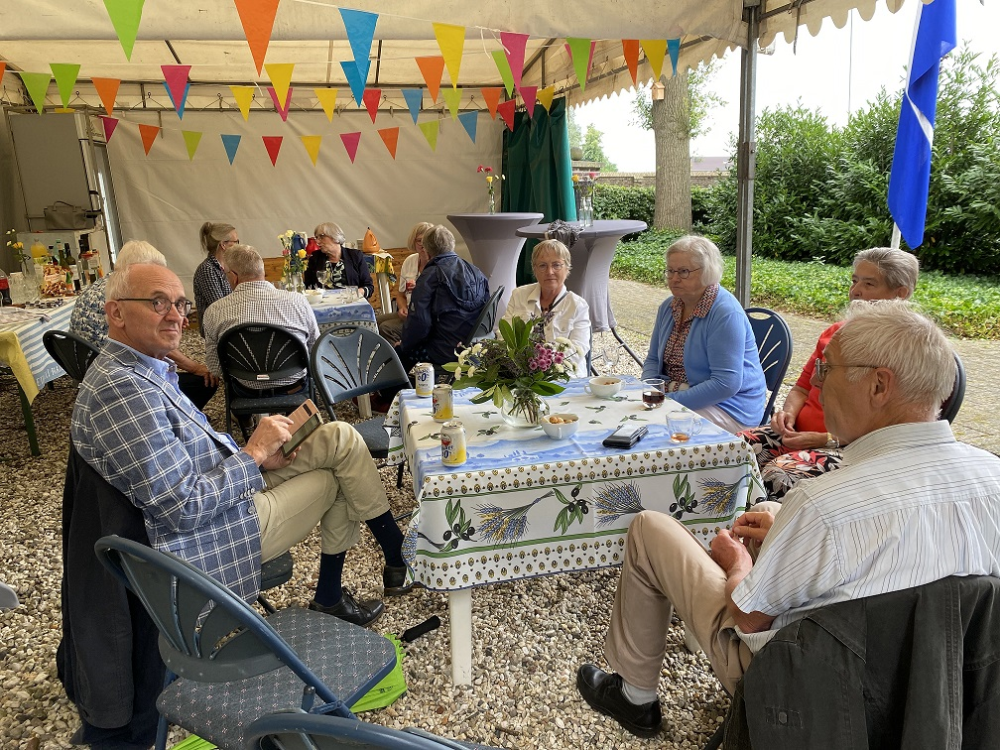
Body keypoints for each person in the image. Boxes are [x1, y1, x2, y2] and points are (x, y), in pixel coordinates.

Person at [576, 301, 1000, 738]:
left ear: (879, 385)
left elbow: (748, 617)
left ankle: (634, 696)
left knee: (649, 527)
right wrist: (786, 530)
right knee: (768, 512)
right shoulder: (994, 478)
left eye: (827, 368)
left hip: (808, 691)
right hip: (947, 689)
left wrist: (738, 563)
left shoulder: (824, 505)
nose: (816, 382)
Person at [71, 262, 414, 629]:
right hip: (213, 532)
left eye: (181, 304)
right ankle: (349, 585)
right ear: (116, 313)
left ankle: (384, 563)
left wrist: (259, 459)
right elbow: (183, 509)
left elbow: (199, 432)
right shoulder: (122, 391)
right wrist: (252, 455)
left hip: (224, 490)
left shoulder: (142, 369)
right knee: (337, 477)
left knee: (340, 437)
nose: (176, 317)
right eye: (158, 302)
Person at [740, 247, 920, 498]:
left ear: (900, 293)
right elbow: (802, 387)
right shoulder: (835, 332)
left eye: (869, 284)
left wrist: (823, 438)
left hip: (849, 447)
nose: (856, 291)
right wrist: (787, 415)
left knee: (778, 476)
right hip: (796, 433)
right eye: (854, 281)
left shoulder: (904, 349)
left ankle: (762, 522)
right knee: (733, 448)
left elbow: (893, 427)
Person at [70, 239, 218, 410]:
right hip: (114, 372)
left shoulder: (99, 286)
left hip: (83, 367)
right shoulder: (125, 295)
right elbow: (153, 339)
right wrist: (194, 367)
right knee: (204, 382)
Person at [641, 235, 765, 432]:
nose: (674, 278)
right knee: (628, 416)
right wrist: (648, 389)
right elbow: (653, 359)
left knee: (653, 428)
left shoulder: (725, 313)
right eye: (670, 271)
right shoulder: (669, 307)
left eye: (683, 272)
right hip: (676, 394)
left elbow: (725, 384)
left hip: (729, 407)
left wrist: (669, 401)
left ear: (708, 271)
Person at [203, 244, 319, 396]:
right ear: (262, 271)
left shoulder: (214, 311)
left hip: (246, 390)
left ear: (233, 276)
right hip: (295, 386)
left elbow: (216, 368)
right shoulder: (298, 301)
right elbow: (315, 349)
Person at [397, 224, 489, 371]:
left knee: (399, 354)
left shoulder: (429, 276)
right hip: (475, 347)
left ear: (428, 251)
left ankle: (407, 386)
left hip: (443, 351)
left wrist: (404, 345)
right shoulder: (475, 271)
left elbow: (419, 323)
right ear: (452, 245)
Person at [502, 239, 591, 377]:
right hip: (521, 377)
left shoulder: (578, 305)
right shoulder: (518, 295)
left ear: (567, 268)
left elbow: (578, 350)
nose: (549, 272)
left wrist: (541, 361)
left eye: (556, 265)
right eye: (542, 265)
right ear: (534, 269)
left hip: (564, 378)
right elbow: (504, 335)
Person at [376, 221, 433, 344]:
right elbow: (401, 295)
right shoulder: (410, 261)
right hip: (409, 311)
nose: (423, 245)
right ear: (414, 242)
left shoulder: (437, 264)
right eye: (419, 241)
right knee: (376, 321)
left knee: (386, 328)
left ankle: (401, 354)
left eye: (426, 241)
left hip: (425, 316)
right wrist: (402, 308)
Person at [304, 221, 374, 299]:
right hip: (324, 303)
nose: (317, 241)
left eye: (322, 237)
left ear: (335, 238)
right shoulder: (315, 258)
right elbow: (308, 287)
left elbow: (369, 287)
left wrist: (356, 293)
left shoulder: (355, 256)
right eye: (316, 238)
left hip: (350, 302)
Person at [192, 221, 238, 335]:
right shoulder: (207, 270)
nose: (238, 245)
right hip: (216, 328)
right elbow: (219, 306)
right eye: (236, 241)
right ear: (223, 245)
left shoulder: (228, 266)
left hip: (230, 323)